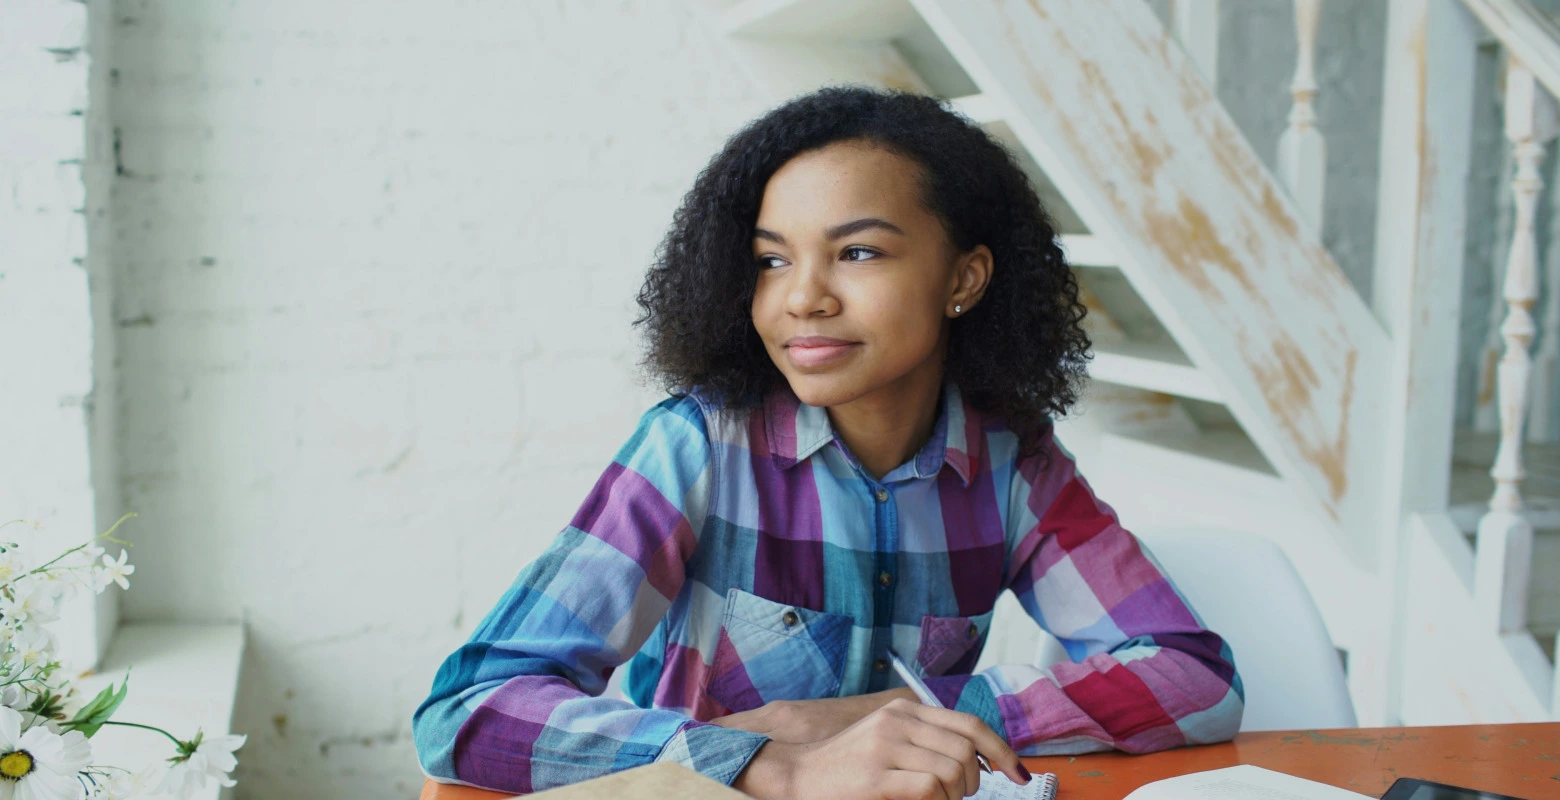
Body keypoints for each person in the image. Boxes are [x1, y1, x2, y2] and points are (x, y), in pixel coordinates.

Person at [412, 85, 1244, 800]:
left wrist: (910, 718)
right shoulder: (697, 447)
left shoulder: (1012, 460)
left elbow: (1195, 679)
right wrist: (769, 762)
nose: (802, 298)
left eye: (856, 251)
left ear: (964, 278)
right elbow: (469, 707)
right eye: (772, 262)